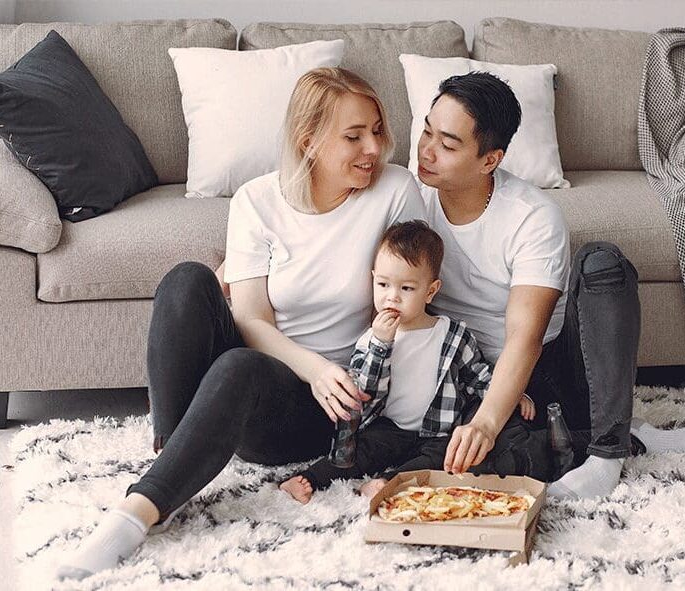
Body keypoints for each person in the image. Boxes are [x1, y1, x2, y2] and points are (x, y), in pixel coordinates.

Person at [56, 67, 426, 580]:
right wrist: (313, 366)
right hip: (291, 367)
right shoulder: (257, 200)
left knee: (238, 368)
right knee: (186, 280)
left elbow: (416, 293)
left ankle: (136, 513)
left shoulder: (394, 191)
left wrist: (338, 377)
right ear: (310, 141)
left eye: (377, 130)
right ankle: (174, 451)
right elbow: (251, 318)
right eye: (354, 135)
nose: (374, 147)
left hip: (324, 408)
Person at [414, 72, 685, 501]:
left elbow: (525, 336)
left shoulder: (532, 215)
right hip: (462, 372)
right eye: (426, 131)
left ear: (489, 160)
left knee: (601, 262)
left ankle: (607, 456)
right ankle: (627, 435)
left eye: (447, 144)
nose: (427, 151)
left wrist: (485, 420)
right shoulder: (410, 200)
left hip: (543, 371)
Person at [280, 220, 544, 503]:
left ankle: (389, 485)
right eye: (383, 284)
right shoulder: (372, 340)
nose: (392, 296)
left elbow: (479, 377)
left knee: (443, 463)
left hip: (437, 432)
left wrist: (514, 395)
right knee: (355, 450)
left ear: (430, 291)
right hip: (389, 427)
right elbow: (363, 393)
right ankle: (307, 479)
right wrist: (382, 344)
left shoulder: (452, 334)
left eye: (406, 288)